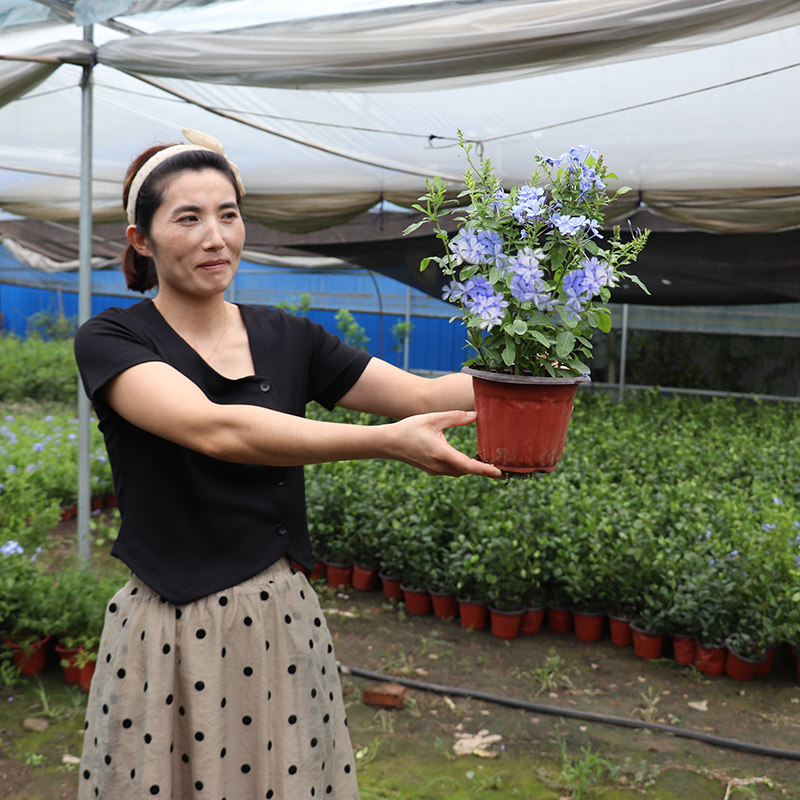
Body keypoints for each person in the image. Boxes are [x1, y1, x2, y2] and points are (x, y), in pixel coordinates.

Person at [73, 129, 500, 800]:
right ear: (141, 240)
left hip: (278, 615)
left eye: (229, 213)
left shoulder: (286, 335)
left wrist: (529, 378)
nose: (216, 236)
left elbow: (418, 394)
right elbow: (215, 429)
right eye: (188, 217)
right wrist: (385, 442)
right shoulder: (114, 338)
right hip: (172, 625)